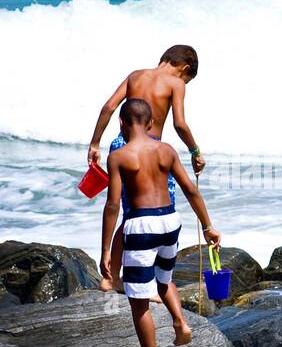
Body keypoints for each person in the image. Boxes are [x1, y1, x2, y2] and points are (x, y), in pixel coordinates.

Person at [100, 97, 220, 347]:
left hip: (142, 224)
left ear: (121, 124)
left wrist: (106, 249)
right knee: (163, 280)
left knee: (138, 301)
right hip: (170, 221)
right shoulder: (166, 150)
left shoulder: (119, 156)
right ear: (151, 122)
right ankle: (180, 323)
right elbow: (190, 189)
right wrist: (208, 227)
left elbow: (113, 205)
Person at [87, 45, 205, 293]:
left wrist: (95, 143)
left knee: (129, 216)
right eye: (187, 78)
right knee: (158, 213)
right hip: (150, 150)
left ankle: (110, 278)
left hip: (122, 147)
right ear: (184, 69)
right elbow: (180, 124)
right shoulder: (175, 83)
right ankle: (152, 280)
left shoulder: (135, 75)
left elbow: (109, 107)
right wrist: (195, 151)